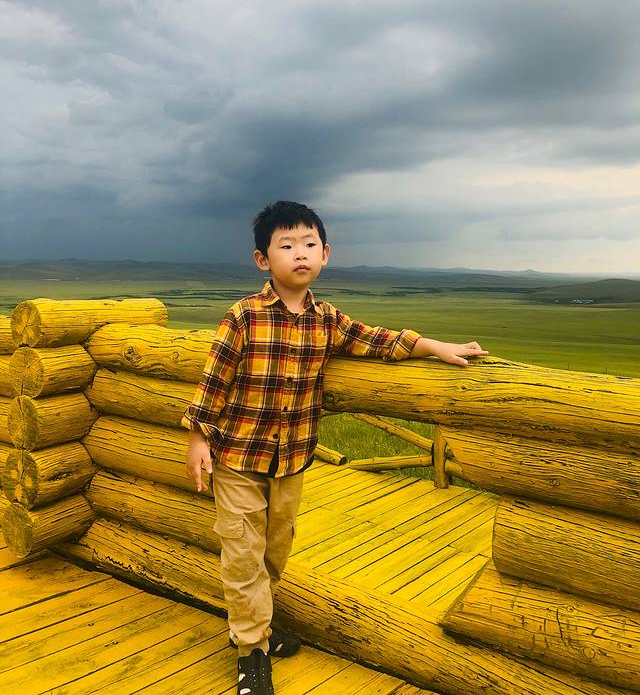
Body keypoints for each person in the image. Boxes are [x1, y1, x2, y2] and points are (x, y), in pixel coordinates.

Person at [183, 200, 488, 695]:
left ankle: (257, 626)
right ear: (264, 260)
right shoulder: (242, 316)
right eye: (286, 246)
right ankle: (251, 651)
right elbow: (213, 380)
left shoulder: (328, 320)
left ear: (325, 254)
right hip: (238, 458)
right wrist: (199, 436)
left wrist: (434, 347)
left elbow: (378, 340)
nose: (298, 253)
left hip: (292, 460)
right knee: (242, 556)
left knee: (274, 553)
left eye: (308, 244)